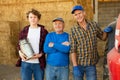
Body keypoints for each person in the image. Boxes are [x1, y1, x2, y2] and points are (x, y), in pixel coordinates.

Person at [69, 5, 112, 80]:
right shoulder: (73, 30)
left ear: (84, 13)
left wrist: (105, 32)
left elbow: (103, 38)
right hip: (79, 64)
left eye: (80, 13)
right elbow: (73, 49)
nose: (78, 16)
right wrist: (75, 66)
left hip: (91, 64)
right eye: (76, 15)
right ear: (74, 16)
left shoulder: (94, 25)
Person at [16, 9, 48, 80]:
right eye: (31, 17)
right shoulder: (24, 30)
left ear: (38, 18)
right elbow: (19, 44)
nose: (33, 19)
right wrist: (20, 52)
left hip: (38, 62)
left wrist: (41, 54)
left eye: (35, 17)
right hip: (26, 62)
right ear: (28, 18)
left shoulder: (43, 31)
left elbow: (46, 46)